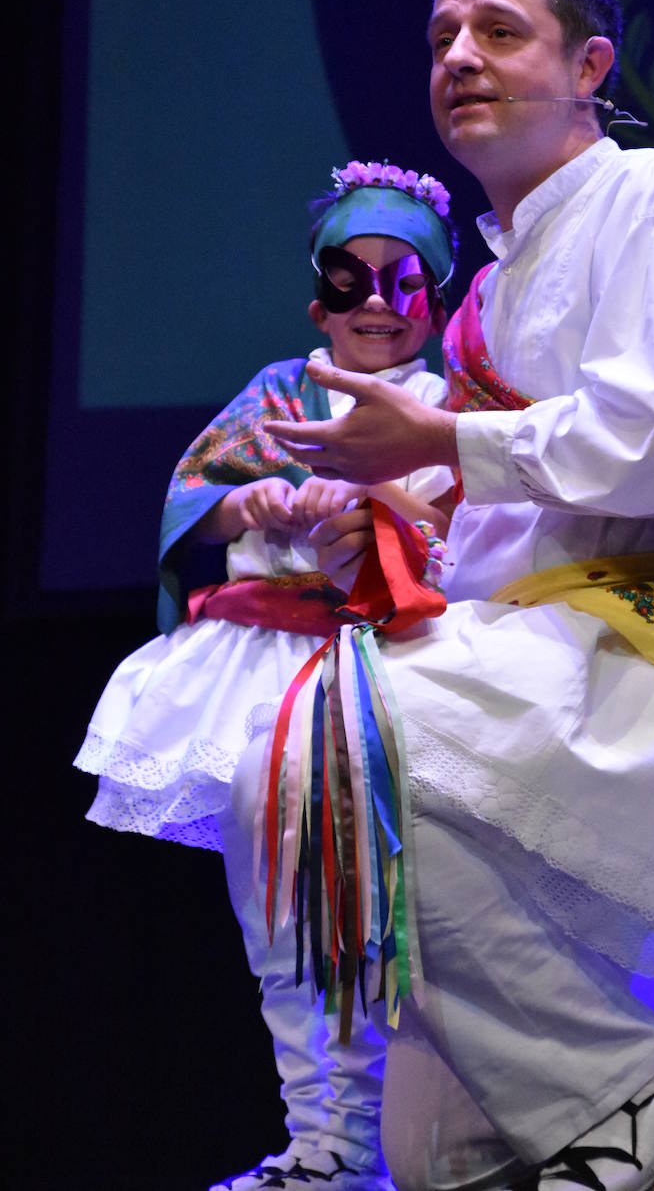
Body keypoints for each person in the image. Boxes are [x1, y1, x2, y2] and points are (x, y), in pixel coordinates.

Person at [238, 0, 654, 1191]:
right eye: (440, 40)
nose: (459, 57)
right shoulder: (494, 281)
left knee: (336, 738)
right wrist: (380, 491)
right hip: (544, 655)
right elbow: (508, 475)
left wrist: (446, 443)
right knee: (434, 1158)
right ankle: (554, 1104)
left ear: (592, 66)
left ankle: (623, 1097)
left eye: (497, 30)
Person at [74, 160, 457, 1191]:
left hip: (409, 686)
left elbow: (473, 524)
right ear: (316, 294)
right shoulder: (277, 393)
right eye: (350, 278)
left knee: (425, 931)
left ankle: (424, 1143)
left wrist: (375, 511)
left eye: (401, 279)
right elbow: (201, 492)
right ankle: (328, 1144)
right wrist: (261, 508)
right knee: (288, 922)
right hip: (269, 688)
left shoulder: (447, 404)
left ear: (435, 295)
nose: (375, 301)